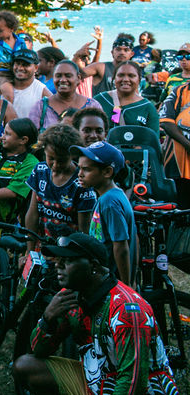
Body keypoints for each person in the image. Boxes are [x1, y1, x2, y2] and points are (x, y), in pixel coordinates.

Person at [13, 232, 179, 395]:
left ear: (93, 266)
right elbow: (39, 351)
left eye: (69, 260)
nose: (58, 265)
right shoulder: (71, 297)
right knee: (24, 366)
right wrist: (47, 319)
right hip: (97, 388)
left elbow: (133, 381)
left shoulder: (127, 310)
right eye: (59, 259)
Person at [73, 141, 136, 285]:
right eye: (79, 168)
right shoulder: (112, 195)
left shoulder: (109, 202)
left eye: (86, 169)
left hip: (112, 280)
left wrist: (126, 286)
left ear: (107, 172)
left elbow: (121, 247)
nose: (80, 174)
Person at [24, 124, 96, 240]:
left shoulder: (82, 182)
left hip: (70, 248)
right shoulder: (40, 171)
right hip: (43, 242)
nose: (55, 165)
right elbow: (33, 213)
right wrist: (30, 249)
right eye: (51, 158)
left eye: (62, 160)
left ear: (72, 155)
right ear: (44, 151)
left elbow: (84, 229)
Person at [28, 60, 102, 133]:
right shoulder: (41, 107)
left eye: (68, 76)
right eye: (58, 76)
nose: (63, 80)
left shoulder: (92, 106)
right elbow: (31, 138)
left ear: (78, 78)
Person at [92, 62, 159, 135]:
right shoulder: (100, 100)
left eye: (131, 76)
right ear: (114, 78)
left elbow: (153, 141)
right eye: (121, 75)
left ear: (139, 80)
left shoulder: (147, 108)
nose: (126, 79)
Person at [73, 31, 135, 97]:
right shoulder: (101, 68)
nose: (122, 52)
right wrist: (77, 56)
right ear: (112, 52)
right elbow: (73, 75)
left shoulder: (134, 72)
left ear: (132, 54)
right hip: (100, 106)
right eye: (118, 49)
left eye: (126, 50)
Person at [161, 76, 190, 210]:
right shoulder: (179, 91)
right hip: (179, 161)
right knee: (181, 207)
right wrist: (187, 144)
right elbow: (166, 121)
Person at [0, 10, 33, 74]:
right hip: (1, 73)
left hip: (18, 73)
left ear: (11, 28)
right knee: (5, 84)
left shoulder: (20, 42)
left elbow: (26, 57)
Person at [7, 48, 49, 118]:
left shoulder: (42, 91)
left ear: (36, 68)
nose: (20, 68)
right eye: (17, 64)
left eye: (25, 65)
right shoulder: (3, 87)